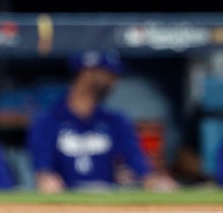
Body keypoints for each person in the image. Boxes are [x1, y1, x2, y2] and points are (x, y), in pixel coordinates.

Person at [28, 51, 178, 193]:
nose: (113, 81)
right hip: (67, 201)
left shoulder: (116, 121)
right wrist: (46, 181)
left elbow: (139, 166)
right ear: (88, 73)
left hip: (108, 200)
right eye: (108, 74)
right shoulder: (48, 121)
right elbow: (43, 173)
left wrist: (157, 182)